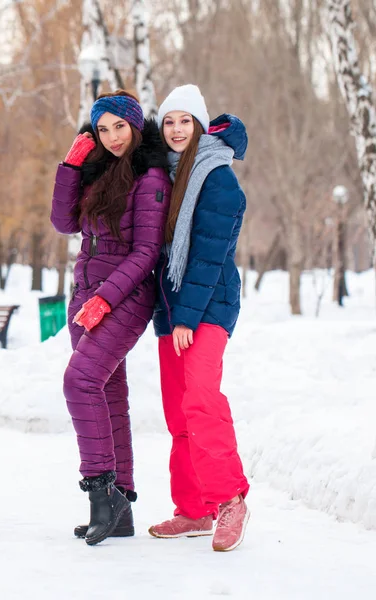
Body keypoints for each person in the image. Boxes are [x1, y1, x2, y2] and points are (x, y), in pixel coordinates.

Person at [51, 90, 171, 546]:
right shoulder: (98, 172)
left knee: (79, 382)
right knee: (108, 392)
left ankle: (103, 495)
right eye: (102, 129)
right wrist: (70, 167)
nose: (112, 137)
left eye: (119, 127)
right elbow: (64, 223)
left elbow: (145, 253)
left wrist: (106, 298)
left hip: (124, 297)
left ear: (135, 127)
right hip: (84, 297)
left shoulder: (150, 177)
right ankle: (120, 510)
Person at [148, 84, 250, 552]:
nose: (176, 129)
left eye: (185, 120)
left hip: (208, 307)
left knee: (201, 400)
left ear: (200, 124)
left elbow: (210, 254)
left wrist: (187, 316)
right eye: (169, 121)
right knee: (177, 410)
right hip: (173, 310)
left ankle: (230, 500)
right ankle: (193, 510)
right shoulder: (165, 175)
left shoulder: (216, 175)